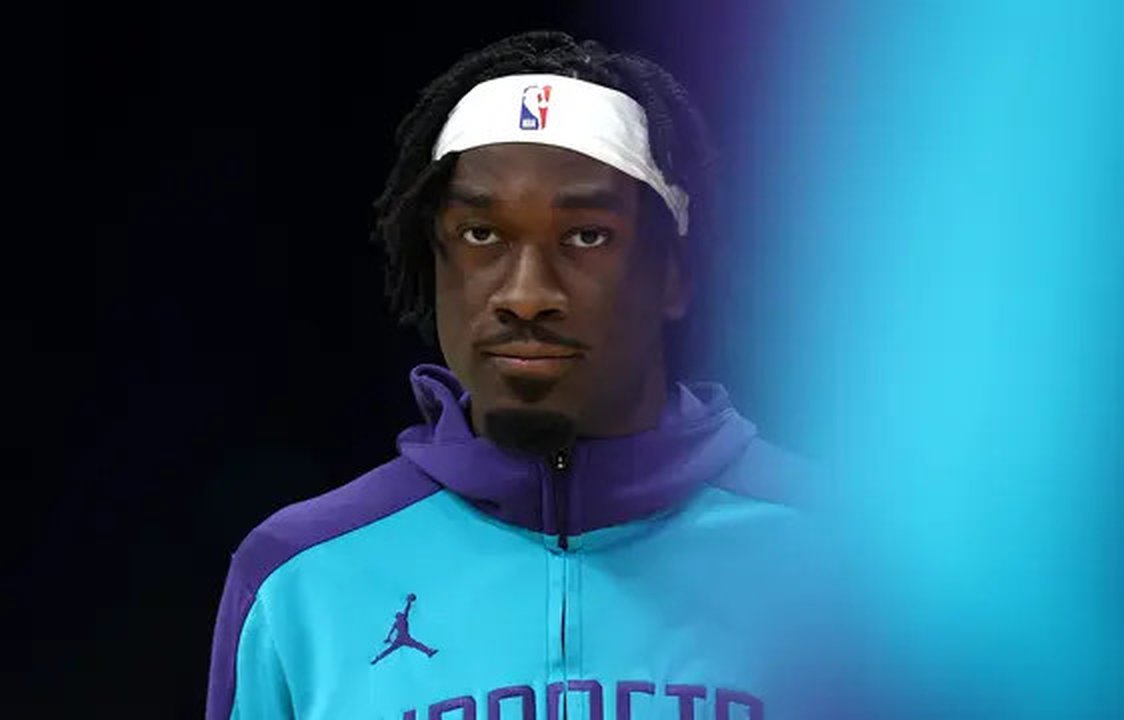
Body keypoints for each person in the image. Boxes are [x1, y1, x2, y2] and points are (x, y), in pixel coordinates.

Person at [206, 30, 833, 720]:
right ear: (433, 262)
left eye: (586, 236)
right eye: (482, 235)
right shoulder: (299, 579)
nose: (526, 295)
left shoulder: (848, 562)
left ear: (674, 275)